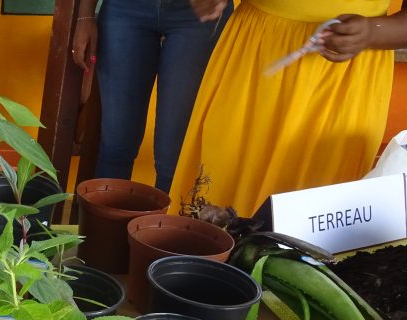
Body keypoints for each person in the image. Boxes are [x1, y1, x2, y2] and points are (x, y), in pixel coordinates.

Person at [172, 0, 407, 217]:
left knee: (310, 214)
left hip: (343, 77)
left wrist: (372, 32)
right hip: (255, 55)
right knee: (219, 190)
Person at [72, 0, 233, 194]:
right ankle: (105, 213)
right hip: (125, 9)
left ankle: (168, 215)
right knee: (116, 146)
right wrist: (85, 16)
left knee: (173, 156)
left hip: (197, 17)